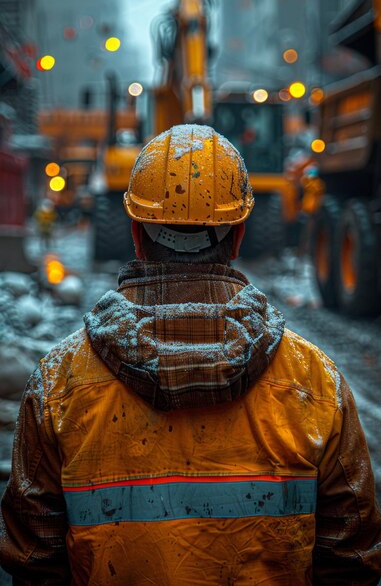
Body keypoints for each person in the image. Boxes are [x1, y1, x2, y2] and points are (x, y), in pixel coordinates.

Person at [0, 124, 380, 585]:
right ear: (238, 237)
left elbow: (34, 561)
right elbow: (353, 559)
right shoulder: (314, 382)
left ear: (137, 235)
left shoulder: (59, 383)